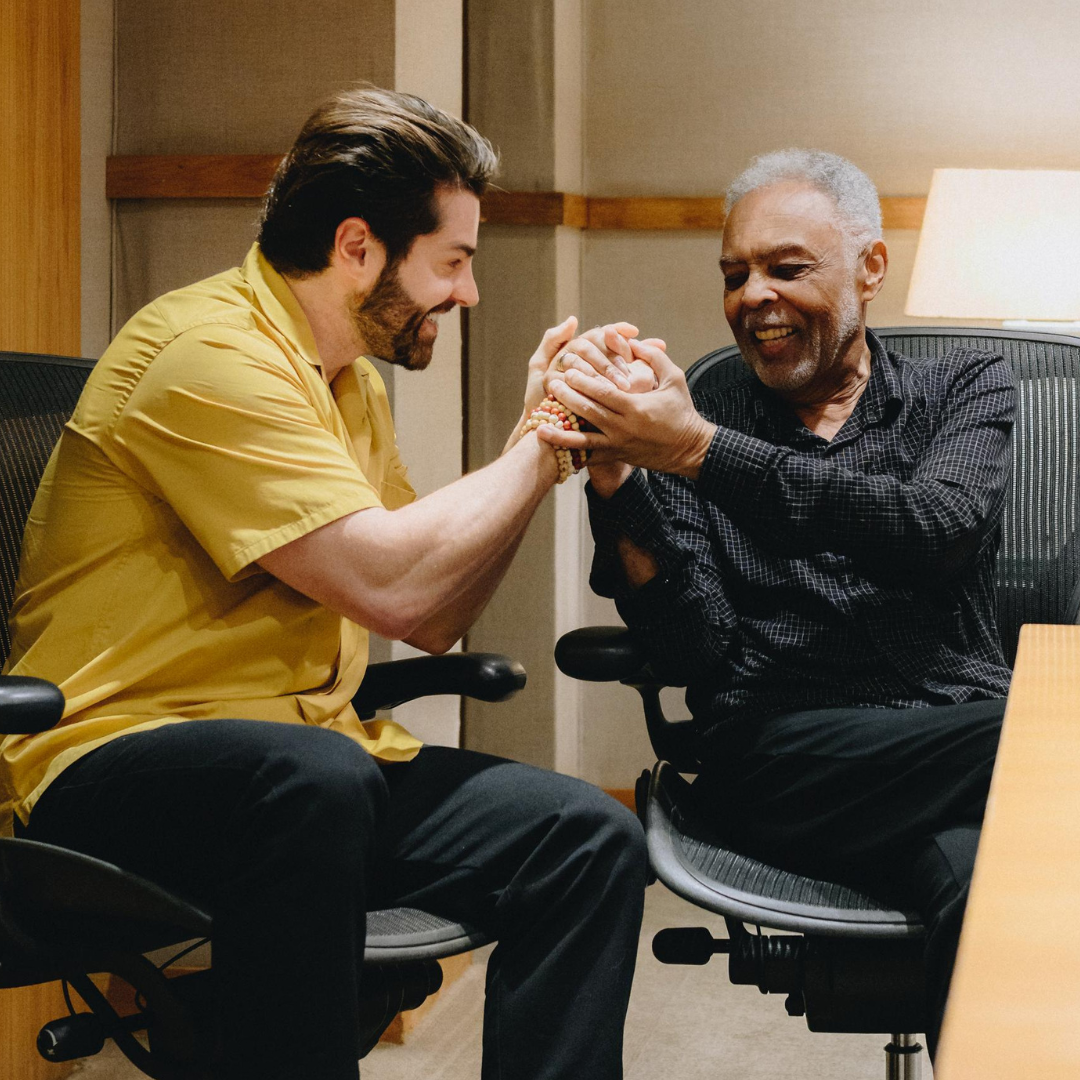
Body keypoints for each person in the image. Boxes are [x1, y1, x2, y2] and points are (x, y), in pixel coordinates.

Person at [0, 86, 649, 1080]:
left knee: (586, 837)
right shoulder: (208, 354)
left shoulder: (349, 381)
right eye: (454, 261)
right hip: (112, 767)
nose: (468, 293)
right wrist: (546, 442)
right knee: (314, 784)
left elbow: (433, 611)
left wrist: (540, 444)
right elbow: (394, 584)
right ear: (358, 247)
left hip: (308, 765)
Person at [539, 148, 1015, 1058]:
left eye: (786, 268)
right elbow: (692, 650)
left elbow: (934, 528)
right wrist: (617, 477)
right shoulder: (698, 411)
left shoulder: (965, 385)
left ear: (869, 268)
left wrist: (701, 455)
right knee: (1048, 737)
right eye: (735, 274)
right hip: (781, 759)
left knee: (983, 896)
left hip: (947, 753)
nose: (753, 295)